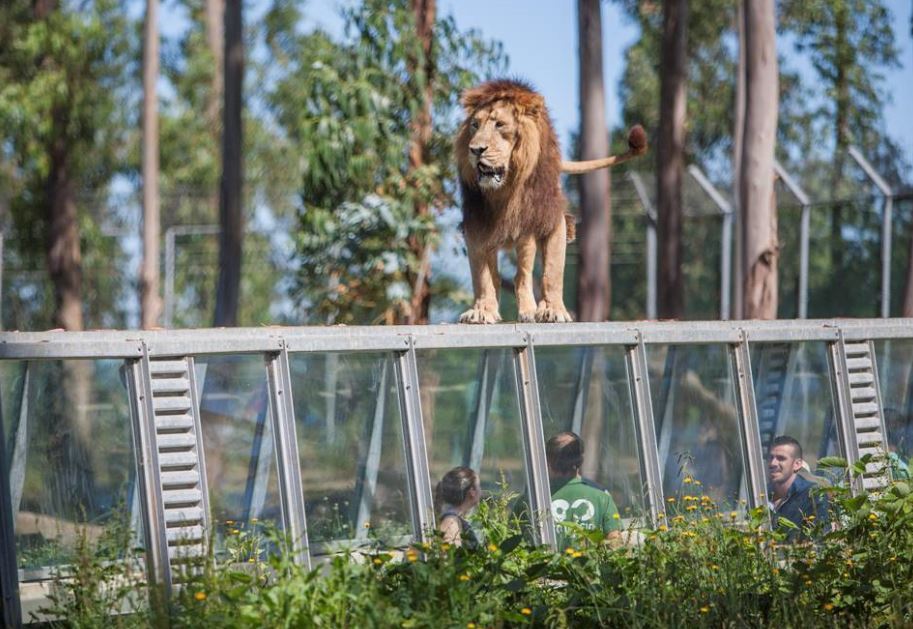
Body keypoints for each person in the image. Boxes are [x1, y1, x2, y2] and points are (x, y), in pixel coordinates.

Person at [546, 432, 621, 549]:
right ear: (581, 459)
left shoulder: (535, 497)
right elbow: (614, 543)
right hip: (589, 566)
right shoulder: (602, 496)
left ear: (549, 461)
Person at [768, 435, 830, 541]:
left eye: (781, 458)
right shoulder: (759, 495)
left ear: (797, 464)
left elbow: (819, 541)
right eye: (771, 458)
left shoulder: (812, 496)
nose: (772, 463)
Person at [435, 466, 481, 549]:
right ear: (472, 492)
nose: (480, 490)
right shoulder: (451, 522)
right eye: (478, 486)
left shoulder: (454, 519)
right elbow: (449, 557)